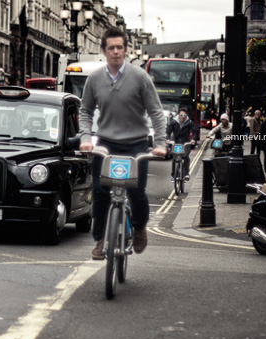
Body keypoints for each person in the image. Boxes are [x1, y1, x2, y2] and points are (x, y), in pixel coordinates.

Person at [79, 26, 167, 260]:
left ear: (126, 50)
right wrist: (86, 139)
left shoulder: (140, 77)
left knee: (137, 193)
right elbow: (85, 111)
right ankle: (100, 239)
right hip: (106, 143)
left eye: (119, 47)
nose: (116, 51)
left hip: (136, 144)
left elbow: (156, 112)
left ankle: (139, 228)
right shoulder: (94, 79)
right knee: (100, 192)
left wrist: (160, 143)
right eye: (111, 48)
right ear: (104, 51)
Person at [166, 105, 196, 182]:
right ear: (179, 115)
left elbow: (194, 132)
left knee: (186, 157)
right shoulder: (174, 122)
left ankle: (186, 174)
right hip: (176, 143)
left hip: (186, 143)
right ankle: (173, 176)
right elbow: (168, 131)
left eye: (184, 115)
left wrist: (193, 139)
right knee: (174, 158)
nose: (182, 116)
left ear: (186, 115)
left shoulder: (189, 122)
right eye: (181, 115)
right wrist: (168, 139)